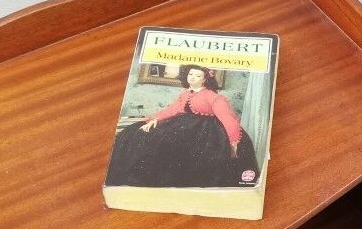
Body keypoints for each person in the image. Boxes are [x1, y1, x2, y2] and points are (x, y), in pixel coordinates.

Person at [106, 64, 259, 188]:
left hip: (210, 132)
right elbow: (173, 109)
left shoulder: (214, 97)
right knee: (138, 132)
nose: (193, 78)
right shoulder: (186, 94)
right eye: (190, 75)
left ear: (205, 79)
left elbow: (228, 119)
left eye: (198, 75)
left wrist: (233, 141)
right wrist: (155, 119)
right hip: (186, 125)